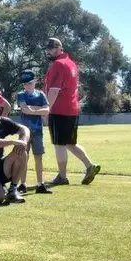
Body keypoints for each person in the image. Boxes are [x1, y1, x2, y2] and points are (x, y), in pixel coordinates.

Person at [44, 37, 101, 186]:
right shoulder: (72, 64)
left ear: (58, 48)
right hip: (72, 109)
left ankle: (62, 177)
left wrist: (46, 110)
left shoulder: (58, 64)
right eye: (47, 49)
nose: (48, 52)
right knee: (69, 143)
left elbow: (54, 91)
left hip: (59, 109)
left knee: (59, 144)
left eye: (50, 49)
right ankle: (90, 166)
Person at [16, 70, 53, 194]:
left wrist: (33, 109)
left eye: (29, 83)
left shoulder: (41, 94)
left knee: (38, 158)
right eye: (25, 84)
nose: (27, 86)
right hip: (24, 132)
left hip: (37, 131)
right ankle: (22, 184)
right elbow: (25, 110)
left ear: (35, 81)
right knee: (23, 158)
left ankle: (40, 184)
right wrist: (39, 110)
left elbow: (47, 110)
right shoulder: (21, 95)